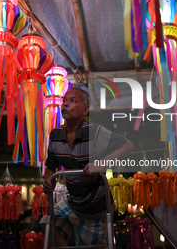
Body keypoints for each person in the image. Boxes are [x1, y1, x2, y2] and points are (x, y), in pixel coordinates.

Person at [42, 87, 134, 247]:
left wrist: (101, 163)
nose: (65, 104)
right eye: (64, 100)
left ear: (85, 110)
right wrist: (48, 182)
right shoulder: (55, 135)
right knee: (46, 224)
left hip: (96, 208)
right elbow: (51, 166)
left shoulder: (95, 131)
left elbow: (128, 145)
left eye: (72, 101)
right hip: (73, 203)